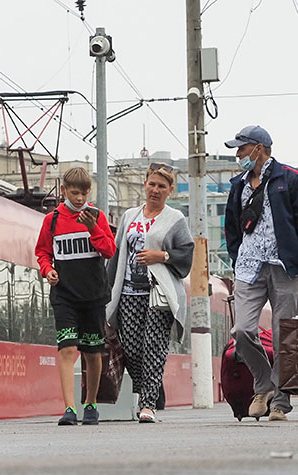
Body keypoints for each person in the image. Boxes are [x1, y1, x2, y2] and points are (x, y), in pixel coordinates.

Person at [223, 125, 298, 422]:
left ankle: (280, 402)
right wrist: (238, 256)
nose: (238, 154)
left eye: (242, 148)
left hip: (284, 266)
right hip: (249, 268)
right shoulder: (238, 184)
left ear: (259, 148)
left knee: (284, 338)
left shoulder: (290, 178)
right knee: (242, 331)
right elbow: (231, 225)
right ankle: (263, 386)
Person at [104, 162, 194, 423]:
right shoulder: (129, 216)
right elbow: (118, 255)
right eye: (152, 184)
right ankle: (151, 390)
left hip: (158, 294)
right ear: (145, 184)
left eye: (162, 186)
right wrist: (108, 293)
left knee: (154, 349)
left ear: (170, 191)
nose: (155, 190)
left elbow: (186, 255)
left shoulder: (175, 219)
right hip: (128, 293)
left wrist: (162, 255)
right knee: (131, 349)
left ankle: (148, 405)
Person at [35, 167, 116, 426]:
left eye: (84, 193)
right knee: (68, 349)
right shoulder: (53, 221)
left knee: (93, 353)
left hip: (93, 296)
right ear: (64, 191)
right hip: (65, 295)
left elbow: (108, 251)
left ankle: (90, 404)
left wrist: (93, 228)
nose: (80, 198)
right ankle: (69, 408)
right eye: (74, 193)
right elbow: (43, 252)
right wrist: (48, 270)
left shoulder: (97, 216)